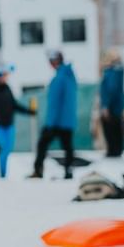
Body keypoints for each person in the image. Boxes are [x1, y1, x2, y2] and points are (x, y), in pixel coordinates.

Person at [0, 64, 33, 178]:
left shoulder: (6, 88)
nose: (6, 77)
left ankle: (2, 177)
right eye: (5, 75)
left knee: (6, 151)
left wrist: (28, 111)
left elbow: (13, 104)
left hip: (8, 125)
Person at [30, 50, 78, 179]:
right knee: (68, 146)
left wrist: (50, 123)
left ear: (55, 61)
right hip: (68, 120)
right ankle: (68, 171)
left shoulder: (59, 78)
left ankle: (38, 171)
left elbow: (54, 103)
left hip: (57, 121)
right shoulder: (70, 76)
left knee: (42, 144)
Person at [99, 51, 124, 157]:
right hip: (117, 106)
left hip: (111, 107)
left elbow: (110, 90)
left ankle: (112, 151)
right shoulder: (118, 72)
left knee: (110, 129)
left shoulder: (112, 73)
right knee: (117, 128)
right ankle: (117, 150)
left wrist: (106, 106)